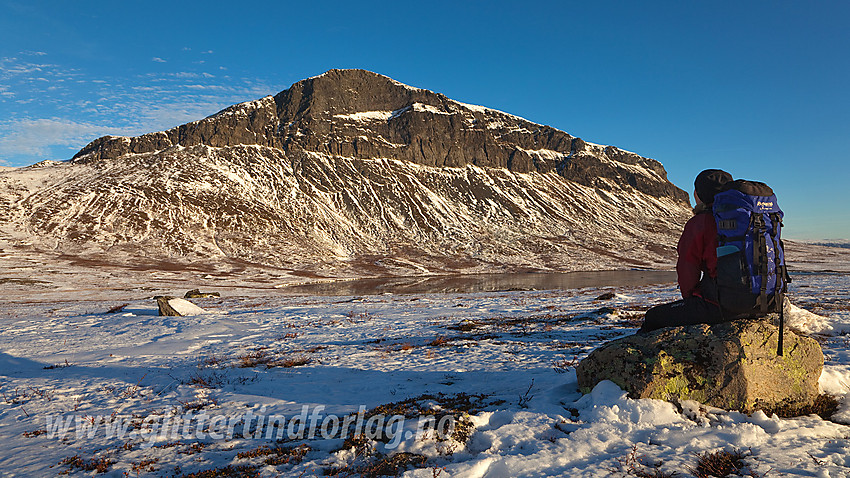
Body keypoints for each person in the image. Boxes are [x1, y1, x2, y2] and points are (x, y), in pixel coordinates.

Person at [639, 169, 733, 333]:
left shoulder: (700, 222)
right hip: (763, 303)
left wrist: (691, 300)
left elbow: (688, 267)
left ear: (698, 194)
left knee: (653, 317)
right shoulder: (750, 217)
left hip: (721, 306)